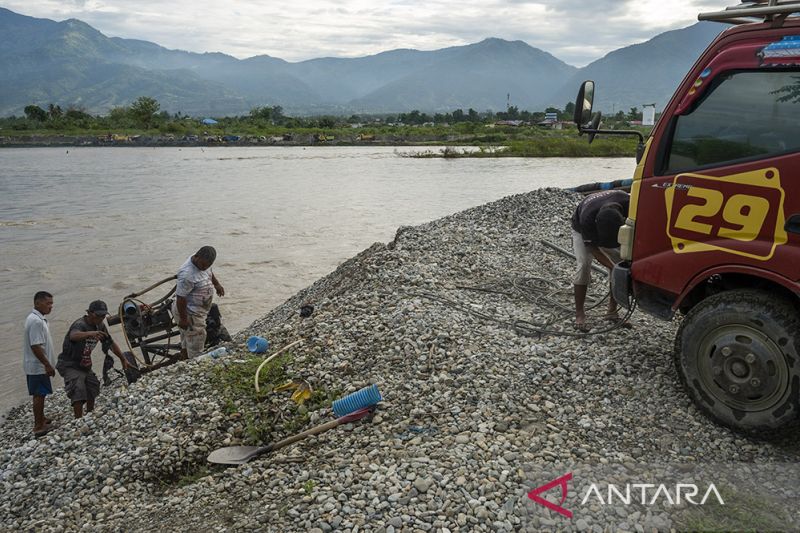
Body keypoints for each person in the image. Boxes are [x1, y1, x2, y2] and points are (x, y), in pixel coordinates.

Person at [56, 300, 129, 418]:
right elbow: (73, 335)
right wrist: (90, 333)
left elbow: (110, 343)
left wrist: (122, 359)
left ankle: (89, 414)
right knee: (78, 388)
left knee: (93, 386)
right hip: (69, 363)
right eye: (98, 315)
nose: (101, 318)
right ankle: (78, 420)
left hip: (84, 363)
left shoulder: (100, 326)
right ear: (89, 313)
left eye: (103, 316)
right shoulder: (80, 324)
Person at [571, 190, 630, 329]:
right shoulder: (587, 218)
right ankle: (579, 313)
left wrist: (619, 267)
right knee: (584, 264)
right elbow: (593, 249)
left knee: (620, 264)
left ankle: (612, 312)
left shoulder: (630, 204)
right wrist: (612, 267)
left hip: (611, 224)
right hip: (581, 229)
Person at [173, 246, 225, 359]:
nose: (204, 268)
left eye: (207, 266)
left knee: (187, 337)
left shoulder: (204, 262)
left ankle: (185, 356)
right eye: (202, 265)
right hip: (190, 312)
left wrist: (216, 284)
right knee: (197, 338)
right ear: (196, 257)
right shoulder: (187, 274)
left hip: (199, 310)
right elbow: (181, 298)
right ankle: (195, 360)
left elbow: (210, 273)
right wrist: (183, 318)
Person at [23, 291, 57, 436]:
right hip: (38, 366)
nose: (51, 306)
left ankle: (41, 418)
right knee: (39, 394)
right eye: (48, 303)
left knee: (40, 393)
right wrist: (47, 364)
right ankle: (38, 426)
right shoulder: (36, 321)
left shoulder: (36, 318)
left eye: (51, 303)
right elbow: (35, 346)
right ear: (37, 303)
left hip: (37, 364)